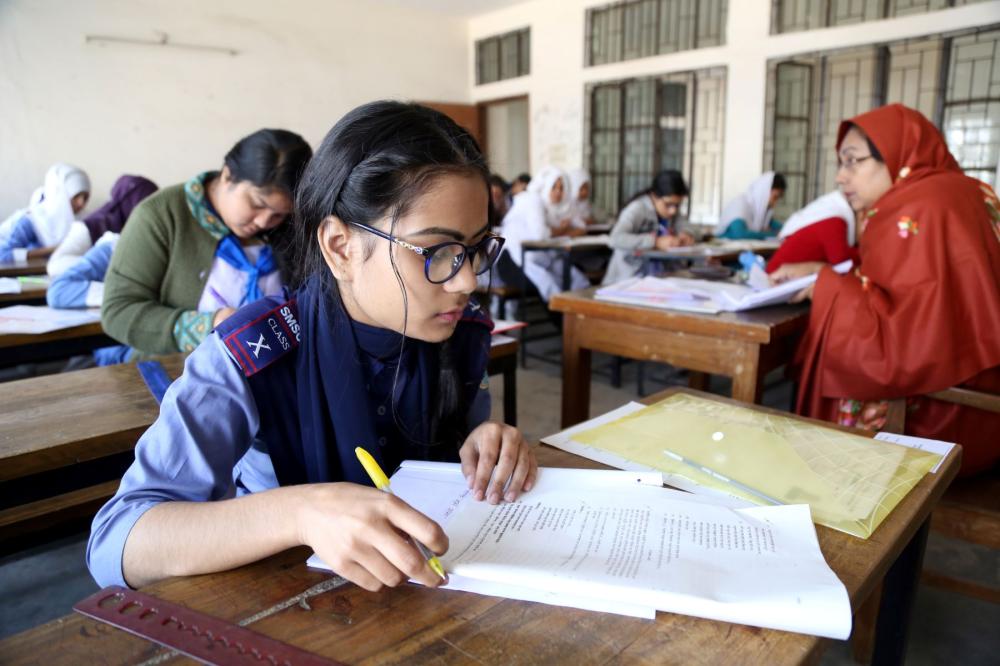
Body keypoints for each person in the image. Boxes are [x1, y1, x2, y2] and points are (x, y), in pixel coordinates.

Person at [87, 100, 537, 592]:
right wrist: (300, 512)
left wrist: (488, 444)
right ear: (341, 246)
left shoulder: (461, 331)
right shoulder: (253, 351)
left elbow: (465, 454)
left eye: (476, 249)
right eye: (437, 252)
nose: (467, 280)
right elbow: (117, 542)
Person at [771, 104, 1000, 476]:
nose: (841, 177)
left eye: (853, 161)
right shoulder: (967, 189)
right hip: (982, 389)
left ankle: (827, 485)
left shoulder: (916, 206)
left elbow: (900, 330)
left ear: (897, 154)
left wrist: (822, 282)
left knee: (850, 366)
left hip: (949, 407)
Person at [101, 129, 312, 357]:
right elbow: (118, 312)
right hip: (179, 376)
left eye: (279, 214)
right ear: (227, 175)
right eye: (257, 203)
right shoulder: (161, 216)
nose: (264, 222)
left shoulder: (290, 225)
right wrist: (212, 323)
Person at [497, 165, 590, 301]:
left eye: (562, 188)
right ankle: (566, 319)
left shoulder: (555, 207)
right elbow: (540, 234)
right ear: (546, 186)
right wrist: (563, 230)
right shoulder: (533, 201)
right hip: (512, 261)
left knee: (577, 279)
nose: (558, 192)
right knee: (552, 284)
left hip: (540, 258)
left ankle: (581, 314)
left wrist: (559, 231)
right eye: (554, 187)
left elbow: (580, 227)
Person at [47, 175, 158, 277]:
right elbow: (55, 266)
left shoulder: (138, 227)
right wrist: (101, 262)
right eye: (144, 204)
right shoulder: (90, 226)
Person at [602, 170, 693, 285]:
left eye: (677, 205)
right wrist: (655, 242)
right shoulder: (638, 209)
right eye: (668, 205)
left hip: (660, 278)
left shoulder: (673, 213)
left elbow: (688, 226)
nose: (673, 210)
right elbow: (615, 239)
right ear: (654, 196)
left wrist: (686, 234)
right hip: (628, 279)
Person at [0, 163, 90, 263]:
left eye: (85, 197)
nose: (81, 203)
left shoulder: (83, 223)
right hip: (28, 277)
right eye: (76, 196)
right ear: (60, 196)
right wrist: (56, 249)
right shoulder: (32, 221)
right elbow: (3, 254)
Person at [765, 190, 859, 274]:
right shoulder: (834, 221)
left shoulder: (833, 217)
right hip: (776, 281)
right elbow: (842, 266)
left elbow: (845, 254)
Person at [714, 172, 785, 240]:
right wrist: (771, 234)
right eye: (775, 197)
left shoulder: (761, 213)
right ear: (764, 193)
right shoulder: (740, 205)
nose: (774, 203)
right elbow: (739, 234)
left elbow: (781, 228)